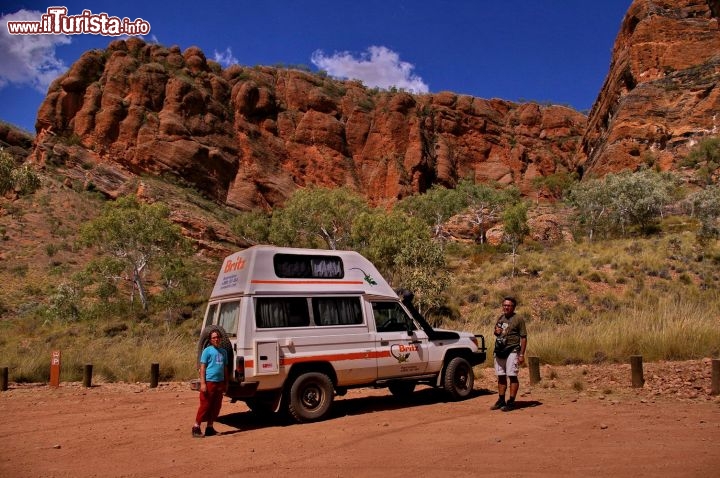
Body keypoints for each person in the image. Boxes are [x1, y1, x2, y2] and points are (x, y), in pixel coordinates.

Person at [490, 297, 527, 412]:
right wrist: (496, 332)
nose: (506, 307)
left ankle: (511, 401)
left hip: (513, 350)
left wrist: (521, 354)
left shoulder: (518, 319)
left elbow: (524, 337)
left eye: (509, 305)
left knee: (512, 375)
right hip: (500, 350)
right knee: (500, 376)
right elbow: (497, 332)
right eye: (504, 305)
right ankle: (501, 400)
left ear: (513, 307)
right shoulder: (501, 318)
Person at [192, 331, 229, 438]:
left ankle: (210, 427)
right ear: (210, 340)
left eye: (218, 337)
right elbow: (202, 367)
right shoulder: (207, 351)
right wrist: (203, 383)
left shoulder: (224, 352)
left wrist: (226, 383)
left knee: (216, 406)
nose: (216, 339)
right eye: (214, 338)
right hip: (209, 382)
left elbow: (225, 368)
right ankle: (196, 427)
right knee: (205, 405)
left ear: (220, 339)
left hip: (220, 382)